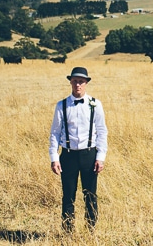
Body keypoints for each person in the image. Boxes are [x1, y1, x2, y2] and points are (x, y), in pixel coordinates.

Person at [49, 67, 108, 232]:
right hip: (68, 156)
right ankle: (67, 231)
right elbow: (54, 132)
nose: (78, 85)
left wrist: (100, 157)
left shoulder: (95, 105)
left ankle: (91, 230)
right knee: (68, 196)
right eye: (75, 81)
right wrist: (54, 157)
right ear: (70, 82)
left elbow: (102, 131)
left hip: (89, 154)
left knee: (90, 195)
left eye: (81, 81)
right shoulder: (61, 105)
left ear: (86, 83)